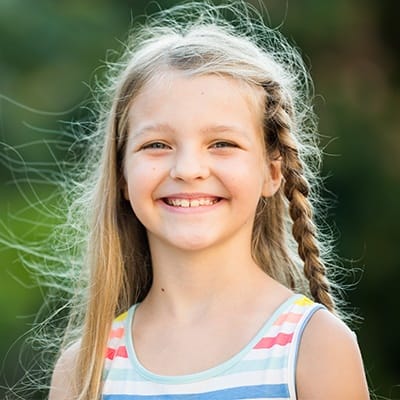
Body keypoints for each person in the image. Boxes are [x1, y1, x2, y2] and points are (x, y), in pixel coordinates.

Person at [48, 2, 369, 399]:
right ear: (121, 175)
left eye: (222, 143)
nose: (188, 169)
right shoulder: (84, 371)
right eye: (157, 144)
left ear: (272, 171)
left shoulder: (315, 348)